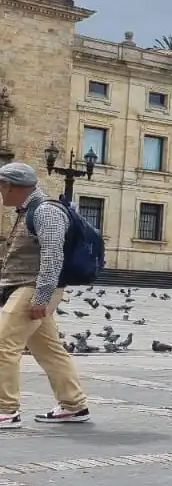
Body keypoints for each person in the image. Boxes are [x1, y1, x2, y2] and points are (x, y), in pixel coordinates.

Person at [0, 163, 91, 428]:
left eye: (1, 186)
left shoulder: (46, 211)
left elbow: (53, 257)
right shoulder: (28, 210)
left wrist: (41, 296)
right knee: (49, 349)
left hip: (34, 287)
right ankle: (74, 404)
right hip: (27, 286)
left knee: (3, 344)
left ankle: (7, 410)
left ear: (12, 186)